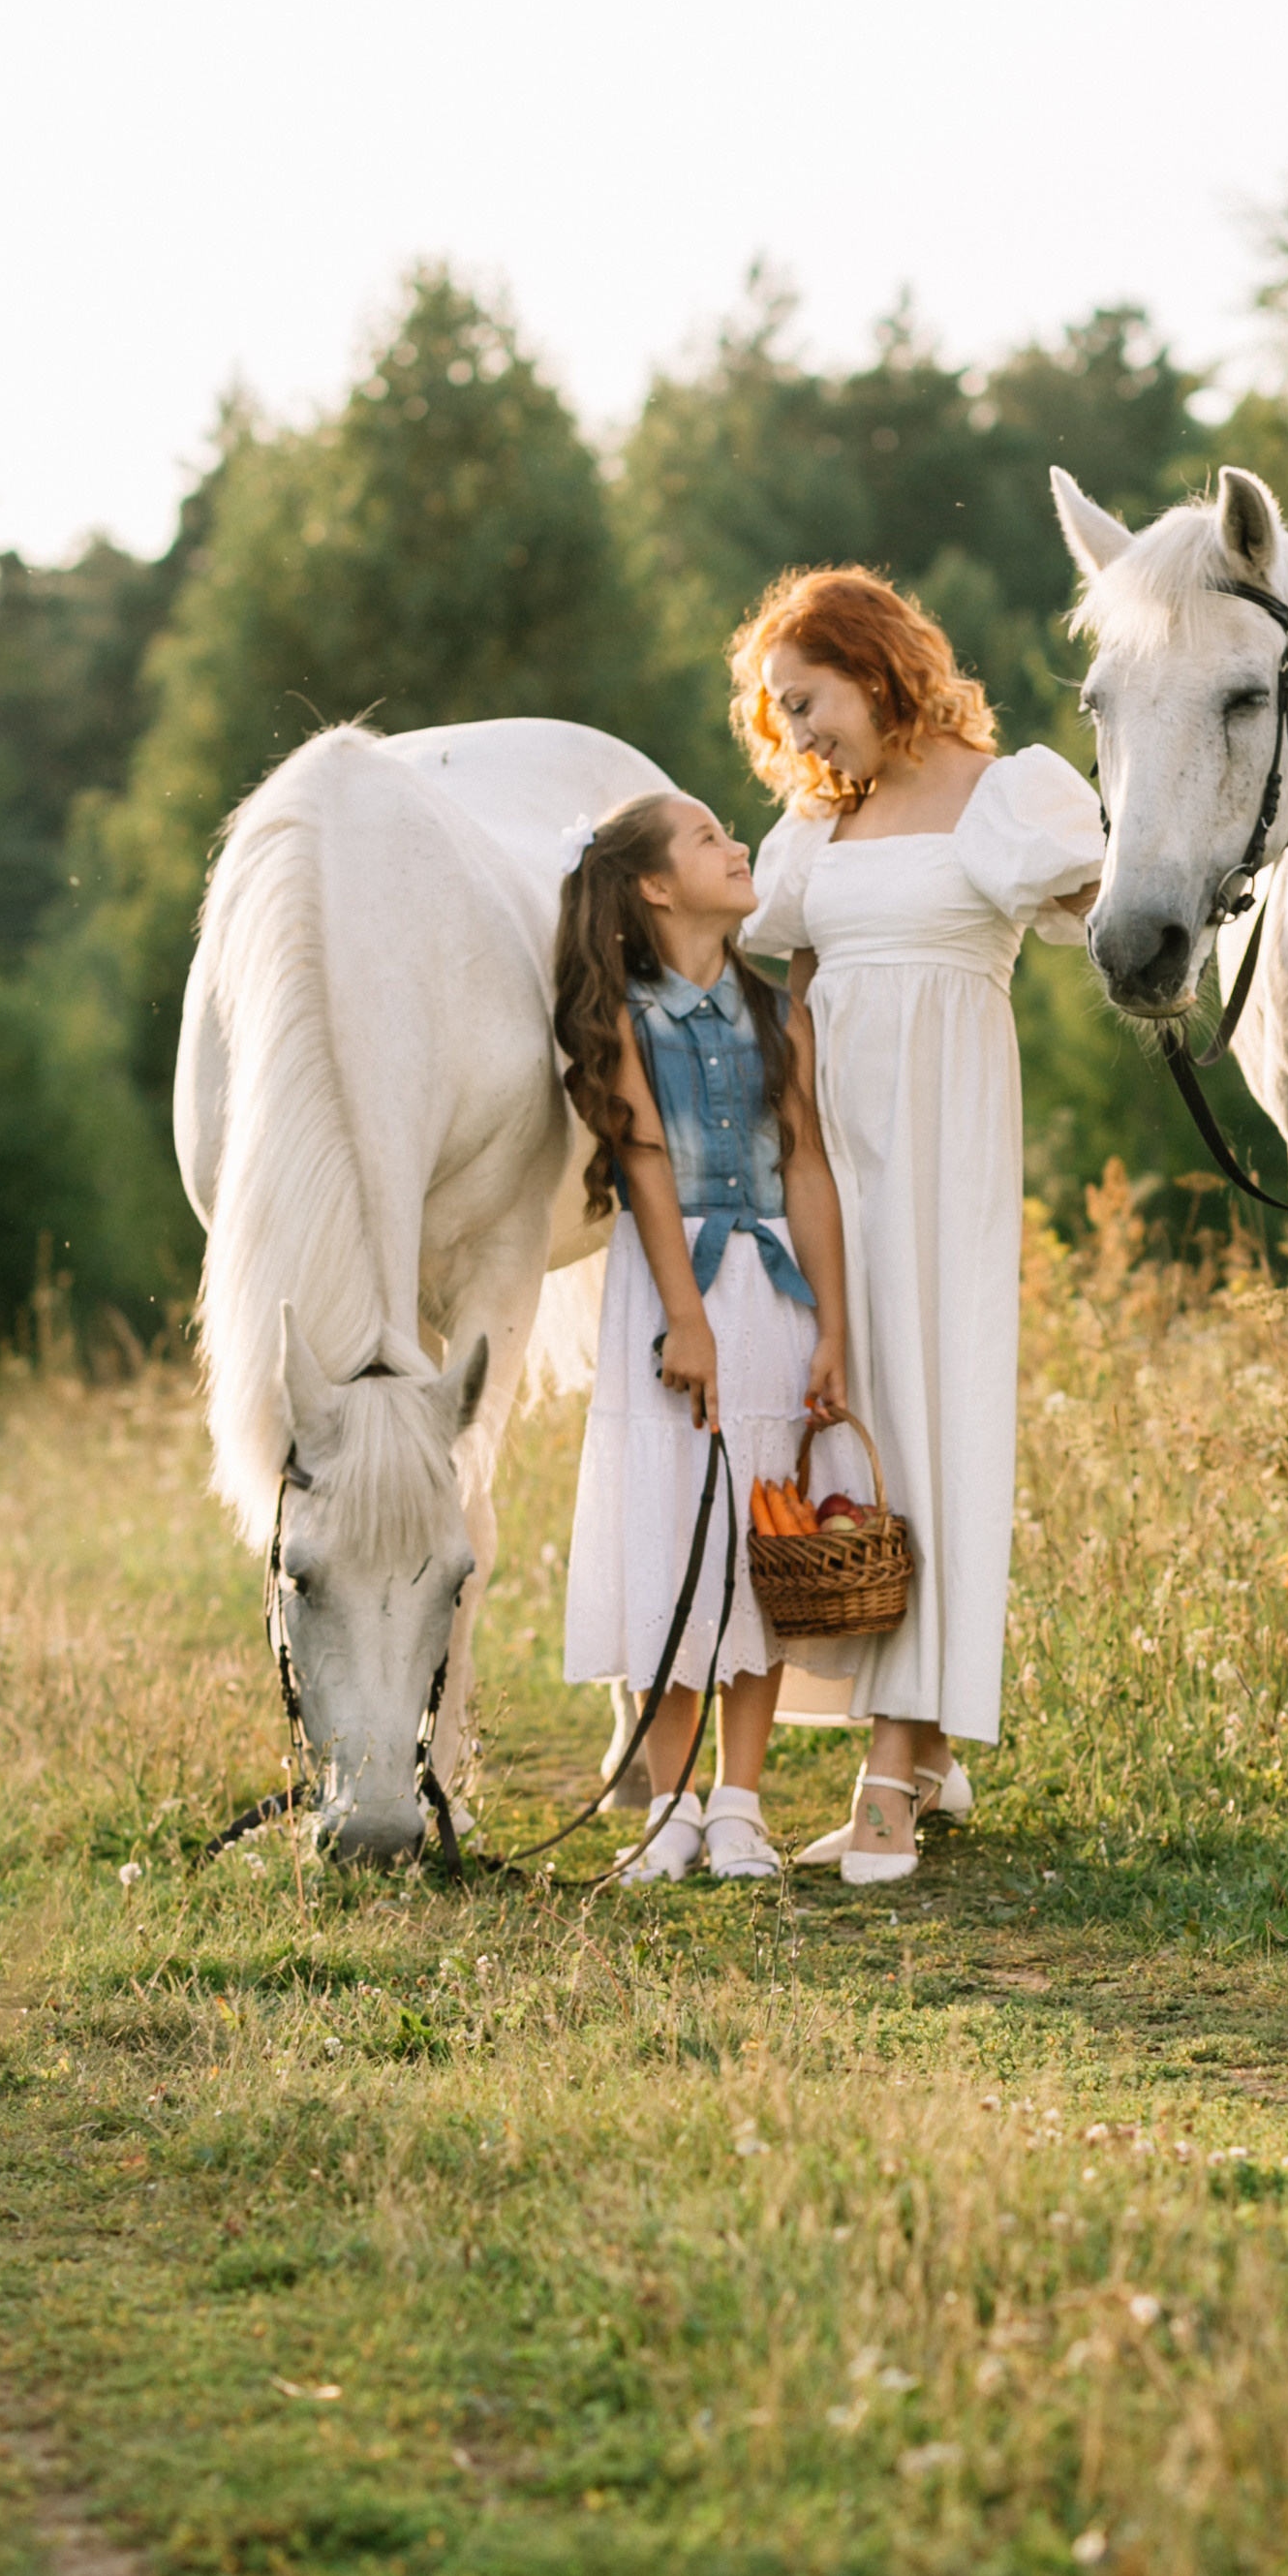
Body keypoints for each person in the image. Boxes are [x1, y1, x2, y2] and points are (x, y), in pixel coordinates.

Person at [731, 569, 1102, 1882]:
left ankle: (892, 1773)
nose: (792, 731)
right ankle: (915, 1746)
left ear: (874, 665)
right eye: (775, 712)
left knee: (932, 1422)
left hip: (942, 1153)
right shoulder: (808, 832)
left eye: (804, 699)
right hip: (830, 1174)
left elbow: (1103, 912)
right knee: (854, 1436)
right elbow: (770, 976)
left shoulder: (1004, 795)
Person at [554, 790, 850, 1883]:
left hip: (769, 1290)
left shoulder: (779, 1012)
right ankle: (668, 1809)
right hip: (675, 1287)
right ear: (654, 887)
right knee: (674, 1527)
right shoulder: (625, 1018)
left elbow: (807, 1167)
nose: (737, 848)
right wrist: (685, 1318)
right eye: (710, 839)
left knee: (756, 1532)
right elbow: (644, 1166)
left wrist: (830, 1325)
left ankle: (738, 1804)